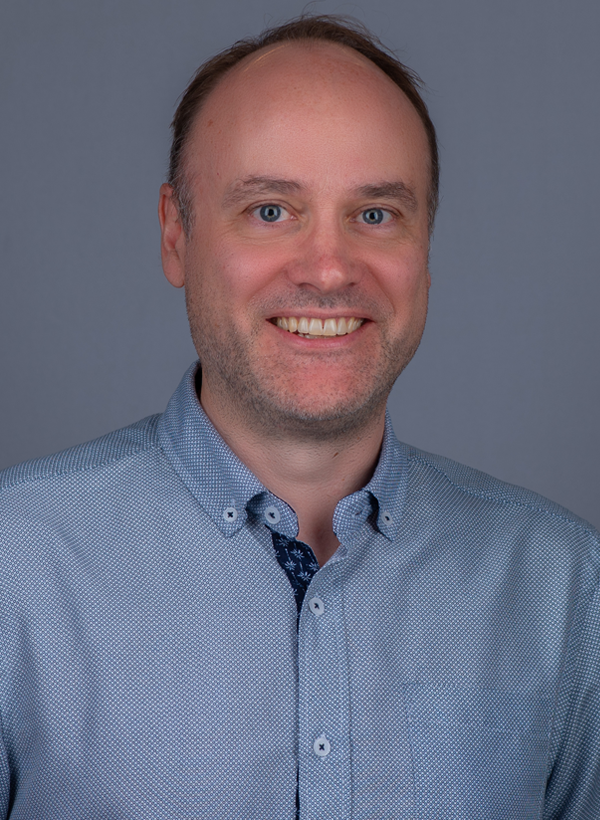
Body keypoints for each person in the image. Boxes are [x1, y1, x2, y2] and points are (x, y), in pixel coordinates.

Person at [0, 14, 598, 820]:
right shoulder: (17, 567)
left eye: (376, 214)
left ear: (427, 246)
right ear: (176, 234)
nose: (328, 270)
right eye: (271, 211)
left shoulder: (562, 587)